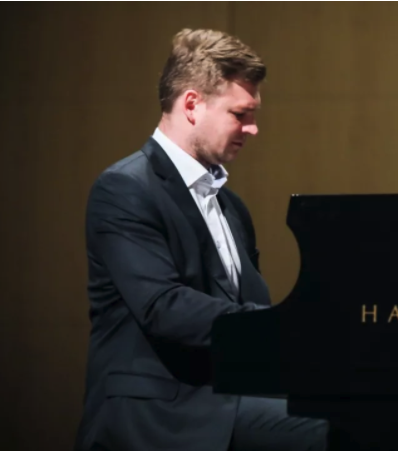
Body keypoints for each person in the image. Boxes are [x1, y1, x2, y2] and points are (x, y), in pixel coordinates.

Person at [74, 28, 327, 451]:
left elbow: (248, 303)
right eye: (240, 114)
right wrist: (283, 328)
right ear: (192, 105)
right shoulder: (124, 188)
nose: (252, 129)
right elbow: (164, 307)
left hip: (226, 396)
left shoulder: (231, 206)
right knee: (334, 432)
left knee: (361, 417)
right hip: (160, 409)